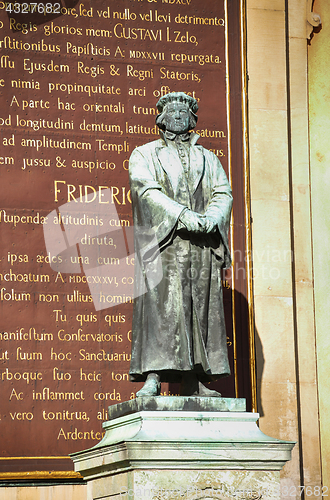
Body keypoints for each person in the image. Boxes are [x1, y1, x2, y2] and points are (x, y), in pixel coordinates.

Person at [128, 92, 233, 397]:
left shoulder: (207, 158)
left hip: (200, 244)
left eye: (183, 111)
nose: (177, 115)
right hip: (165, 242)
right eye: (171, 111)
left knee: (199, 310)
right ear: (160, 118)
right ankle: (153, 375)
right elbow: (146, 191)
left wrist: (212, 218)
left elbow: (222, 192)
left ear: (192, 119)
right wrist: (182, 215)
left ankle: (196, 378)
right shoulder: (145, 154)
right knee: (162, 309)